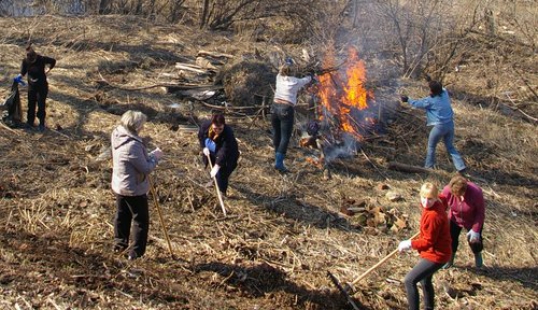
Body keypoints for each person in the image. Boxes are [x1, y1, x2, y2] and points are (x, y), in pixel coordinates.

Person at [111, 110, 163, 260]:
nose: (143, 128)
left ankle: (119, 245)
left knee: (122, 215)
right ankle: (135, 253)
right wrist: (156, 156)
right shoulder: (132, 145)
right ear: (135, 126)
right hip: (133, 188)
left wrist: (143, 144)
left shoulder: (117, 134)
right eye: (142, 125)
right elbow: (145, 168)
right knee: (140, 221)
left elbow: (132, 157)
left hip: (119, 183)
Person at [398, 182, 452, 310]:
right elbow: (444, 199)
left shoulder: (433, 216)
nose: (426, 202)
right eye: (423, 198)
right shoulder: (438, 202)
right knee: (425, 280)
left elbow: (428, 241)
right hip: (436, 251)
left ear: (435, 198)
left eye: (429, 199)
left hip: (437, 255)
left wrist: (409, 244)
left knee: (409, 280)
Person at [400, 80, 467, 175]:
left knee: (431, 146)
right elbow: (441, 88)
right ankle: (461, 166)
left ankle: (428, 167)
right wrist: (433, 82)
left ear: (433, 91)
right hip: (450, 125)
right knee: (450, 147)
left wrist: (408, 99)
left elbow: (417, 104)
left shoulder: (430, 101)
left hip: (440, 127)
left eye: (430, 89)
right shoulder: (444, 93)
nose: (429, 91)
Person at [271, 59, 312, 172]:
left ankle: (276, 155)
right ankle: (279, 163)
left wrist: (287, 63)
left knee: (277, 133)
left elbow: (282, 71)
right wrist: (311, 75)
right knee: (285, 137)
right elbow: (307, 80)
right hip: (286, 109)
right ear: (293, 71)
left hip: (274, 107)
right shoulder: (296, 81)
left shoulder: (278, 78)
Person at [441, 175, 485, 268]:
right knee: (451, 239)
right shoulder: (447, 190)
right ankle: (450, 259)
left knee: (475, 241)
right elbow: (441, 206)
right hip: (454, 218)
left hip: (472, 219)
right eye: (455, 195)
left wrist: (475, 230)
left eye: (460, 195)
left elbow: (480, 212)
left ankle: (477, 253)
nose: (458, 197)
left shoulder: (476, 192)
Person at [15, 44, 56, 132]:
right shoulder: (25, 61)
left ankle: (41, 124)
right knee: (31, 104)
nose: (32, 62)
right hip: (31, 87)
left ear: (35, 56)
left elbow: (53, 61)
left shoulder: (41, 59)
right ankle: (30, 122)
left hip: (42, 87)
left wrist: (48, 69)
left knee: (41, 105)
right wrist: (18, 77)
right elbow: (23, 72)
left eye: (33, 60)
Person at [198, 114, 239, 197]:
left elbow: (223, 152)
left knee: (222, 172)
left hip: (229, 153)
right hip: (214, 145)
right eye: (215, 128)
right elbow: (201, 136)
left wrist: (217, 166)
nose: (217, 131)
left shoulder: (228, 134)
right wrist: (203, 147)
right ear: (212, 124)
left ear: (223, 125)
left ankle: (222, 192)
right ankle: (214, 181)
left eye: (220, 129)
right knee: (213, 163)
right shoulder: (206, 125)